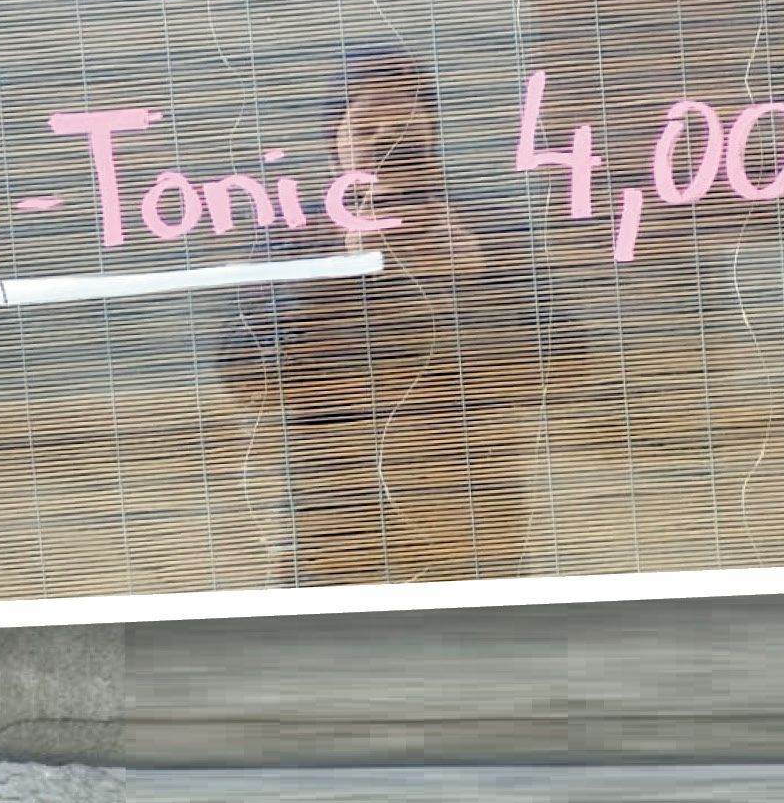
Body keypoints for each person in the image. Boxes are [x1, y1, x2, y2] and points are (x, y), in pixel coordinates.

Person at [216, 48, 543, 586]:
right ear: (334, 152)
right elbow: (243, 377)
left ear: (433, 137)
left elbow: (569, 372)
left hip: (475, 528)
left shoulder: (491, 234)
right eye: (365, 126)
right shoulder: (294, 243)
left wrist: (480, 278)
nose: (386, 136)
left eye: (404, 125)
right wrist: (336, 278)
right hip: (333, 530)